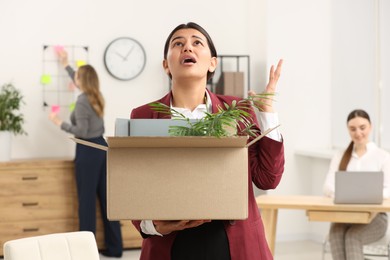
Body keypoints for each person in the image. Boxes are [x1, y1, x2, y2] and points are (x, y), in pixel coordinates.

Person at [130, 22, 285, 260]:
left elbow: (267, 179)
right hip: (171, 244)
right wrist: (152, 225)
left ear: (213, 62)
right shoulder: (143, 115)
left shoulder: (239, 110)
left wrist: (267, 115)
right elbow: (134, 185)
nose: (187, 48)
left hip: (233, 241)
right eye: (178, 43)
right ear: (165, 64)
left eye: (196, 42)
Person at [49, 50, 123, 258]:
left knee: (87, 201)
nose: (75, 79)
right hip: (102, 149)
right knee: (107, 201)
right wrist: (66, 65)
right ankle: (116, 248)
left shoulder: (82, 101)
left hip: (88, 150)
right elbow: (79, 78)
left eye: (77, 76)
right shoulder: (96, 96)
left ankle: (85, 252)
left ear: (82, 80)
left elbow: (81, 131)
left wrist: (59, 122)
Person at [323, 109, 390, 260]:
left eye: (362, 127)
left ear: (370, 127)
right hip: (344, 215)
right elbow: (327, 186)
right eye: (353, 129)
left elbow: (388, 190)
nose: (358, 133)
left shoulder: (383, 157)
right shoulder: (340, 156)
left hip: (376, 218)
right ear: (348, 130)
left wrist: (368, 196)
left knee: (353, 237)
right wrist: (341, 194)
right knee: (335, 233)